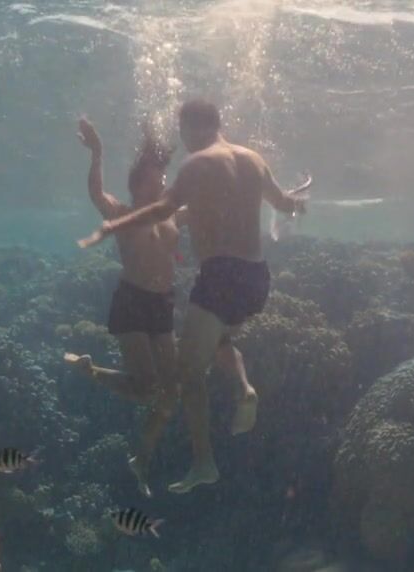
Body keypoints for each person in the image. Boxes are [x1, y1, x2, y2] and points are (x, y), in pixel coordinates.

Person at [78, 99, 310, 494]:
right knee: (213, 345)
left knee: (186, 377)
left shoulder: (192, 169)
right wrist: (299, 199)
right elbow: (285, 204)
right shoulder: (254, 159)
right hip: (254, 278)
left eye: (182, 133)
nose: (161, 181)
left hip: (205, 284)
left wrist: (110, 228)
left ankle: (203, 461)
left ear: (190, 128)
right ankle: (242, 389)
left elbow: (165, 209)